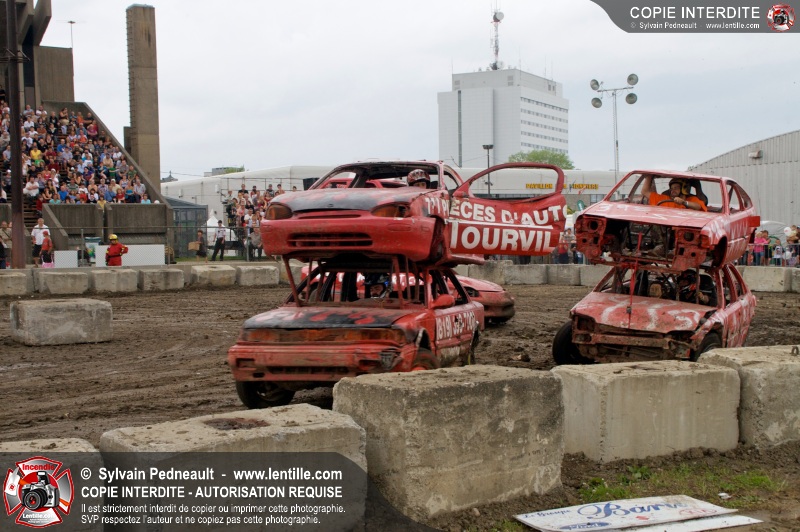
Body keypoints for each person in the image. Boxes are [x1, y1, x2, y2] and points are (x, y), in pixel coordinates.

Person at [642, 175, 707, 211]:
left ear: (684, 188)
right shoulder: (664, 199)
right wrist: (649, 176)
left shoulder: (692, 199)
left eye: (676, 188)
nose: (673, 190)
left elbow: (698, 206)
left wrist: (683, 202)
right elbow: (644, 192)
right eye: (671, 188)